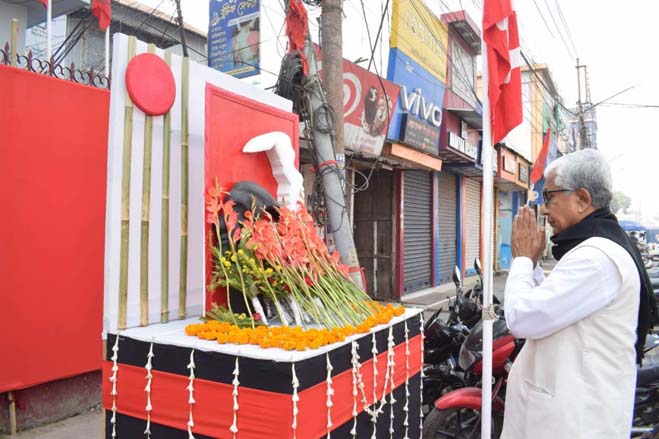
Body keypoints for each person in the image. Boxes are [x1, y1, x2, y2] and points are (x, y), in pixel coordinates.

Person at [501, 149, 657, 439]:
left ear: (582, 199)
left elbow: (523, 318)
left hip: (575, 423)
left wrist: (521, 260)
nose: (544, 209)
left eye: (549, 197)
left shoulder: (597, 257)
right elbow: (550, 304)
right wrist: (532, 265)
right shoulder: (597, 248)